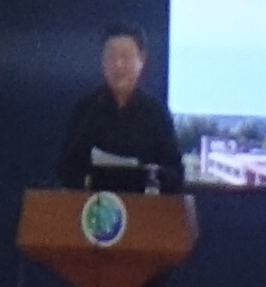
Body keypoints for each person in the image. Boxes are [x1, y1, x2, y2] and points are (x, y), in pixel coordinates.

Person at [59, 31, 186, 195]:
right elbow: (65, 168)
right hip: (95, 205)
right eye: (111, 57)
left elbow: (176, 173)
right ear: (102, 62)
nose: (118, 65)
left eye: (125, 57)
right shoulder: (87, 108)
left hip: (143, 205)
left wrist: (149, 175)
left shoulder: (156, 112)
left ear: (141, 61)